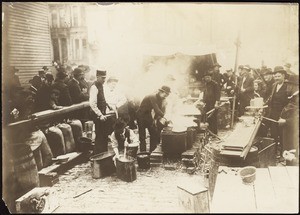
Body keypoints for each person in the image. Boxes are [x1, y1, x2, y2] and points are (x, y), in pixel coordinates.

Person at [266, 66, 291, 159]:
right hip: (273, 114)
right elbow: (271, 99)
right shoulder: (274, 85)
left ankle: (282, 154)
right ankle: (274, 152)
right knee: (274, 134)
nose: (276, 78)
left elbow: (290, 103)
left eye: (279, 76)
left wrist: (285, 117)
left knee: (283, 135)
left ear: (284, 76)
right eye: (275, 76)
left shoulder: (288, 86)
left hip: (283, 115)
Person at [136, 85, 171, 152]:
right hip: (140, 115)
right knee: (142, 135)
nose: (165, 96)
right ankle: (143, 152)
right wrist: (166, 117)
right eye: (165, 94)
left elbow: (159, 110)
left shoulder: (161, 99)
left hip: (148, 115)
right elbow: (157, 109)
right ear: (161, 91)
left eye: (167, 95)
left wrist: (156, 119)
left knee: (153, 133)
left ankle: (152, 151)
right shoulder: (153, 96)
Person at [89, 70, 111, 154]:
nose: (104, 80)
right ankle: (98, 155)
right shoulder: (94, 87)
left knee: (104, 135)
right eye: (102, 78)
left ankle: (103, 153)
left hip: (102, 113)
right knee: (100, 135)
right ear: (97, 77)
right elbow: (92, 104)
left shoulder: (101, 85)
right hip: (97, 114)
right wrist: (100, 115)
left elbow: (102, 99)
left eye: (105, 78)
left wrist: (108, 105)